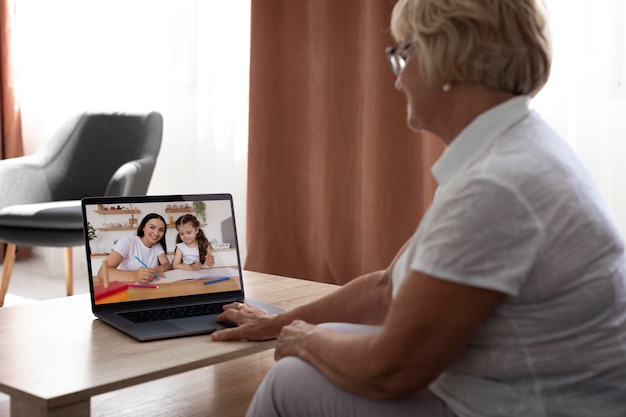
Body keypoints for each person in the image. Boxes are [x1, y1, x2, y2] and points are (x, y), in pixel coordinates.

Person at [211, 0, 626, 416]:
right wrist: (276, 325)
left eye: (404, 54)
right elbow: (388, 290)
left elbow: (391, 371)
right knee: (326, 339)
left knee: (291, 378)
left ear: (450, 59)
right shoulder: (510, 149)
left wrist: (303, 339)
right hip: (519, 391)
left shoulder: (498, 182)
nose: (399, 79)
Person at [99, 213, 172, 283]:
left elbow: (167, 265)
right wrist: (135, 276)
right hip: (127, 289)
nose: (156, 233)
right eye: (152, 227)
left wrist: (159, 269)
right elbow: (102, 273)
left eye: (161, 230)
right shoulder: (128, 242)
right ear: (143, 227)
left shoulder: (157, 246)